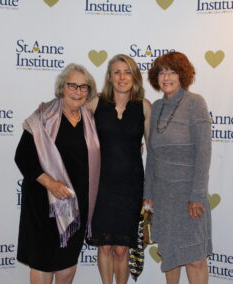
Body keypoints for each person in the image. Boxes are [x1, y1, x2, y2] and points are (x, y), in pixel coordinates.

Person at [14, 63, 100, 284]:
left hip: (76, 204)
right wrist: (52, 184)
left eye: (84, 87)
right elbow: (23, 157)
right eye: (73, 85)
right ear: (62, 87)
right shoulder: (44, 115)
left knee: (67, 265)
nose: (78, 91)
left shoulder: (90, 120)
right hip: (44, 204)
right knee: (43, 264)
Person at [143, 51, 212, 284]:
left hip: (189, 196)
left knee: (195, 258)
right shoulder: (157, 107)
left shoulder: (196, 103)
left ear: (182, 75)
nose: (166, 77)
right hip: (163, 196)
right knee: (170, 257)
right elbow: (151, 155)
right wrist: (148, 194)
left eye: (172, 71)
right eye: (162, 72)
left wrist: (197, 195)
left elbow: (204, 154)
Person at [87, 54, 151, 284]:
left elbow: (153, 151)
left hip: (131, 186)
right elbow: (73, 130)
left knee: (122, 250)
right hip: (101, 185)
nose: (122, 77)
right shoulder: (95, 102)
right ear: (109, 76)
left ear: (134, 76)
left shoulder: (143, 106)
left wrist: (150, 192)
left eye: (127, 71)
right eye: (116, 72)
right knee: (104, 246)